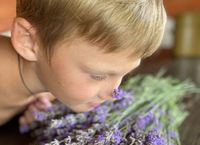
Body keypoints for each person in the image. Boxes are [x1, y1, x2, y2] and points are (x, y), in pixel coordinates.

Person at [0, 0, 166, 126]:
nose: (114, 96)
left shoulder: (47, 78)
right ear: (27, 41)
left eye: (126, 73)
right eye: (97, 76)